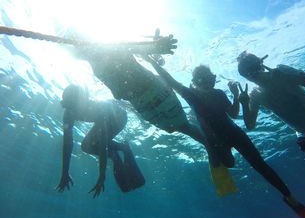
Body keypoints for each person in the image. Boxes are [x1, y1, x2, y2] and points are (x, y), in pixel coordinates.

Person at [145, 57, 305, 218]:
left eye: (212, 76)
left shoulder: (219, 93)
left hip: (235, 134)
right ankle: (212, 151)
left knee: (260, 164)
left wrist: (238, 98)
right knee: (229, 162)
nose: (212, 80)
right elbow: (170, 81)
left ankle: (292, 200)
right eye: (208, 77)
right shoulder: (190, 95)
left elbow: (233, 115)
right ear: (198, 80)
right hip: (218, 141)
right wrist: (153, 63)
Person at [236, 51, 305, 203]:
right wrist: (244, 103)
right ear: (245, 77)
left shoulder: (281, 70)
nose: (253, 73)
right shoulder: (255, 94)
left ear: (261, 63)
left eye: (254, 67)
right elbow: (250, 125)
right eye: (247, 73)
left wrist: (289, 78)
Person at [68, 32, 208, 149]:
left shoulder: (112, 46)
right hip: (140, 102)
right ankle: (210, 143)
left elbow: (140, 48)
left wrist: (158, 46)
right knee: (172, 128)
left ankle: (212, 146)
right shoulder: (94, 63)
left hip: (155, 91)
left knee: (184, 126)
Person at [56, 84, 145, 198]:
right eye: (68, 105)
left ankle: (124, 148)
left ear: (84, 100)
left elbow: (103, 144)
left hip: (119, 117)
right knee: (86, 147)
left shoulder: (98, 109)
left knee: (98, 144)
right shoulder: (68, 114)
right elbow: (67, 144)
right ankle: (115, 155)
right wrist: (64, 172)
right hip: (106, 119)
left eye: (74, 105)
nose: (73, 111)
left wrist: (102, 176)